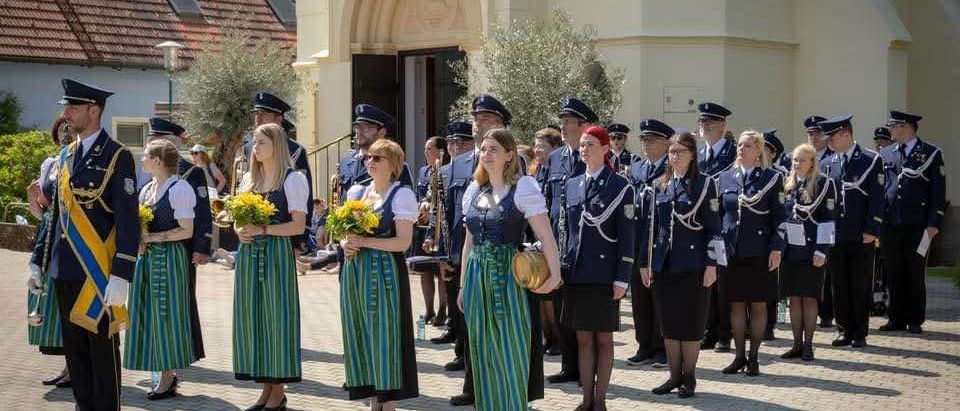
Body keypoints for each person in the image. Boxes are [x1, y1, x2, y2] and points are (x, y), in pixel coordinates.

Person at [48, 79, 139, 411]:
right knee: (75, 356)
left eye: (73, 107)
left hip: (97, 274)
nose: (66, 113)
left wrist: (122, 274)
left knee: (102, 355)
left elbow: (128, 221)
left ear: (94, 110)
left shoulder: (117, 157)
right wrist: (39, 260)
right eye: (66, 107)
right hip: (65, 269)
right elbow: (57, 216)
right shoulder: (66, 155)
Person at [457, 128, 561, 410]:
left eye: (494, 149)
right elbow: (468, 244)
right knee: (481, 349)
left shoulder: (523, 188)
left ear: (509, 155)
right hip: (477, 276)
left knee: (510, 348)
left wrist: (555, 276)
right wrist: (463, 286)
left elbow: (547, 236)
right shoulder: (473, 190)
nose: (486, 154)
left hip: (510, 277)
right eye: (484, 149)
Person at [441, 95, 514, 407]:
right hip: (463, 254)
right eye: (475, 117)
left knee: (495, 327)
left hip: (497, 257)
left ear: (498, 124)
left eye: (485, 119)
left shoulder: (512, 162)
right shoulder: (456, 164)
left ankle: (496, 384)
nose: (478, 123)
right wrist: (445, 254)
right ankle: (472, 383)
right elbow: (448, 213)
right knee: (467, 328)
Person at [638, 131, 722, 398]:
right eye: (672, 152)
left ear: (692, 155)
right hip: (665, 265)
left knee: (692, 324)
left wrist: (712, 264)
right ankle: (673, 376)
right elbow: (649, 228)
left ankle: (689, 378)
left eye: (681, 152)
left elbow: (714, 228)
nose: (675, 157)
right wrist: (644, 262)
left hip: (694, 265)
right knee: (670, 324)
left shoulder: (705, 184)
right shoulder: (660, 184)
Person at [340, 139, 420, 411]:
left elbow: (402, 243)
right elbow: (343, 233)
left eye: (377, 158)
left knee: (385, 333)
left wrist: (363, 243)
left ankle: (387, 404)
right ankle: (373, 398)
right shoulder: (357, 193)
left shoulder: (401, 195)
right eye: (368, 158)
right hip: (356, 272)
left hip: (385, 275)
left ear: (393, 164)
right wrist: (346, 243)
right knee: (361, 332)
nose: (370, 162)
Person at [233, 123, 308, 411]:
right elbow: (238, 220)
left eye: (261, 142)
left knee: (276, 320)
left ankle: (278, 393)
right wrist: (241, 230)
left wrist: (264, 228)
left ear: (276, 144)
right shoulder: (249, 180)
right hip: (250, 255)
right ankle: (266, 390)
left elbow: (299, 225)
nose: (256, 147)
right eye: (254, 142)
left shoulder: (292, 179)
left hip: (276, 255)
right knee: (255, 321)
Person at [561, 125, 635, 410]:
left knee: (603, 339)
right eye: (582, 144)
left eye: (590, 144)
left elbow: (628, 238)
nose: (584, 149)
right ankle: (586, 399)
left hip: (605, 275)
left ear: (605, 149)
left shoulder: (619, 186)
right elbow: (566, 231)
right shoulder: (574, 184)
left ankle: (601, 400)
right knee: (582, 339)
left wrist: (622, 278)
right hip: (578, 272)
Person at [124, 139, 197, 399]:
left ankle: (168, 376)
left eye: (145, 155)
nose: (141, 159)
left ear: (157, 161)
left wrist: (153, 239)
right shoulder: (147, 190)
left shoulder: (180, 188)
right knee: (147, 313)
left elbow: (186, 230)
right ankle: (161, 372)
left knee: (167, 313)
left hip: (170, 259)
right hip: (148, 259)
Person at [716, 130, 786, 377]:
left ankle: (754, 358)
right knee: (735, 305)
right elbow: (719, 216)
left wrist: (777, 248)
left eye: (747, 146)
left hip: (759, 251)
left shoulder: (771, 178)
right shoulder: (725, 178)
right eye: (740, 145)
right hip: (732, 250)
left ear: (759, 151)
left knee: (757, 306)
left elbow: (780, 217)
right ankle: (738, 357)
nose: (741, 149)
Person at [145, 117, 213, 363]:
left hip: (181, 247)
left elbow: (203, 212)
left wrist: (201, 247)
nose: (149, 145)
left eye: (154, 140)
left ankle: (184, 348)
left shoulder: (190, 172)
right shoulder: (152, 174)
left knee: (181, 299)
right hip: (154, 249)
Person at [544, 96, 597, 385]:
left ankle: (587, 368)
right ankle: (569, 365)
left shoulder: (596, 156)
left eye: (569, 123)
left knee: (582, 312)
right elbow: (547, 199)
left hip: (585, 243)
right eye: (561, 122)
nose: (563, 128)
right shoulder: (554, 158)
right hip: (557, 243)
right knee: (562, 307)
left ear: (585, 126)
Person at [879, 110, 945, 334]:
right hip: (891, 223)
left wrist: (934, 222)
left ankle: (915, 319)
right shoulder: (887, 153)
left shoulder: (930, 153)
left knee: (914, 271)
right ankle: (895, 317)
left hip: (918, 224)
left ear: (906, 127)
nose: (891, 129)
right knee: (894, 271)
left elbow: (938, 190)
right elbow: (883, 188)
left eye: (894, 126)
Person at [820, 114, 884, 348]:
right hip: (836, 234)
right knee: (839, 283)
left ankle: (859, 332)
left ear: (846, 134)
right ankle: (844, 329)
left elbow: (877, 199)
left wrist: (872, 229)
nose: (829, 142)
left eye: (833, 137)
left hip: (860, 233)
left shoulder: (870, 159)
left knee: (860, 283)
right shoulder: (828, 164)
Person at [779, 144, 837, 360]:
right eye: (795, 159)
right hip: (791, 250)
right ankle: (796, 344)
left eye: (802, 160)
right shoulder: (788, 183)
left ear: (812, 161)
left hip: (812, 249)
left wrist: (822, 250)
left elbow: (828, 219)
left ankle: (809, 345)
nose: (797, 163)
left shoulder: (823, 183)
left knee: (810, 298)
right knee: (793, 299)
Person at [25, 114, 70, 389]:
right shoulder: (50, 165)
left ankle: (75, 369)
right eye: (61, 131)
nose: (65, 135)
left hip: (71, 240)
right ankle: (69, 367)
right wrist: (32, 198)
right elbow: (42, 214)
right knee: (53, 303)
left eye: (69, 130)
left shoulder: (80, 161)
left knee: (69, 302)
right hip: (48, 238)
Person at [626, 119, 673, 367]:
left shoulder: (671, 169)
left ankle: (661, 347)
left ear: (666, 143)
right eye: (643, 139)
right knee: (639, 297)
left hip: (660, 240)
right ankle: (643, 344)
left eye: (651, 139)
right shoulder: (636, 169)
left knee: (659, 296)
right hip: (637, 239)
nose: (646, 143)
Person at [242, 92, 314, 252]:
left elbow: (305, 197)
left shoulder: (295, 151)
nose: (258, 118)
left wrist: (301, 238)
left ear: (278, 118)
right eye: (256, 114)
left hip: (280, 242)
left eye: (264, 114)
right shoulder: (248, 147)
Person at [428, 122, 475, 353]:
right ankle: (459, 347)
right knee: (455, 299)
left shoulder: (479, 168)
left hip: (472, 243)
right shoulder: (445, 172)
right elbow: (440, 212)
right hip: (452, 245)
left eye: (462, 142)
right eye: (452, 142)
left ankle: (466, 350)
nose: (456, 147)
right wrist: (440, 252)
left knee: (468, 303)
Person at [696, 102, 735, 353]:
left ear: (722, 125)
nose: (705, 126)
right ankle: (709, 330)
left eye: (710, 121)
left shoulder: (732, 153)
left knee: (723, 283)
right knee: (706, 280)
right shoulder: (699, 155)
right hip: (701, 224)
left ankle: (725, 333)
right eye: (702, 122)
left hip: (722, 224)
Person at [336, 104, 413, 203]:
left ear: (382, 132)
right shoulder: (345, 162)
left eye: (366, 127)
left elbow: (405, 201)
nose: (359, 131)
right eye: (357, 126)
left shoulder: (394, 165)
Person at [413, 136, 449, 326]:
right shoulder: (422, 171)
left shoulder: (445, 171)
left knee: (440, 271)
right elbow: (419, 195)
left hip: (440, 228)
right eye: (425, 148)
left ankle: (443, 309)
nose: (426, 152)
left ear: (441, 151)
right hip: (423, 226)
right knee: (424, 270)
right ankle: (428, 310)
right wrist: (421, 208)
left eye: (429, 148)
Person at [804, 115, 835, 327]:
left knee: (828, 271)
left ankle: (827, 313)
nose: (814, 137)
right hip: (805, 226)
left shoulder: (833, 159)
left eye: (818, 133)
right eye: (810, 133)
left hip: (826, 221)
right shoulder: (799, 158)